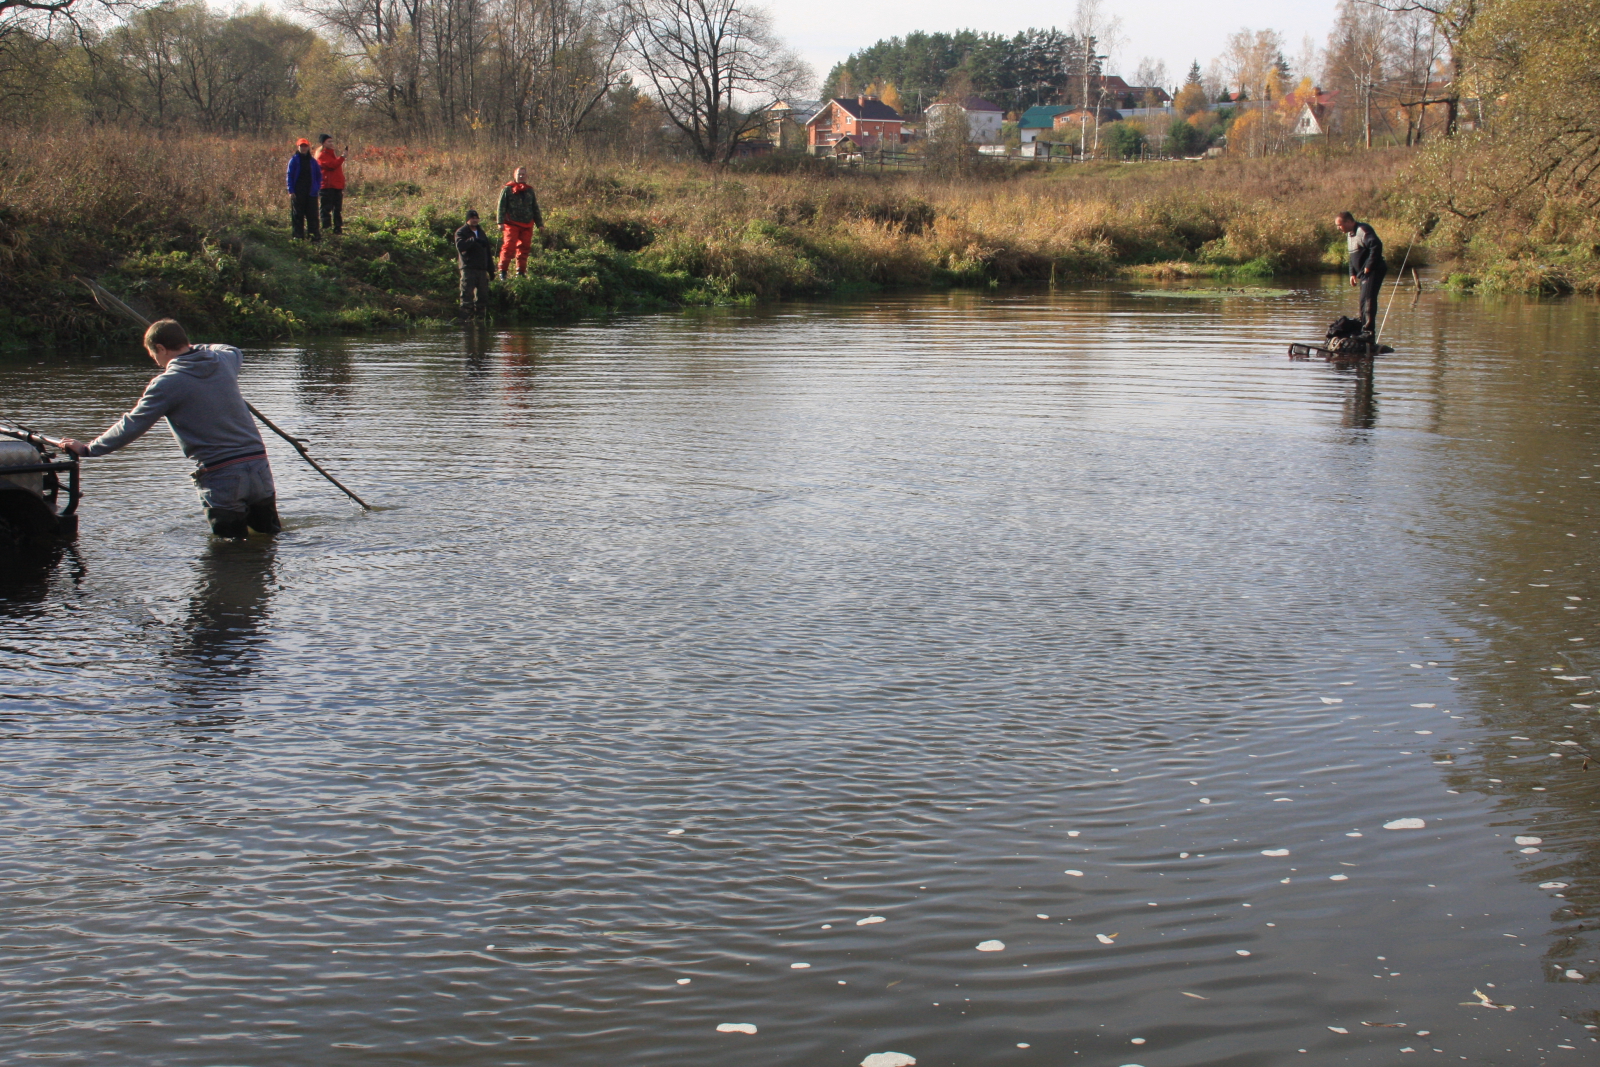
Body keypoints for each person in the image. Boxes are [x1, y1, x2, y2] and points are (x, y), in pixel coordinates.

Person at [60, 319, 281, 539]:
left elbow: (132, 424)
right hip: (259, 466)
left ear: (161, 348)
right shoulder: (224, 361)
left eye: (153, 354)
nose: (157, 362)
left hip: (221, 473)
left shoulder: (167, 383)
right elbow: (231, 349)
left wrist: (90, 449)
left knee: (229, 549)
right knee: (269, 538)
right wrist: (193, 348)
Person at [1335, 211, 1386, 334]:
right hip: (1362, 274)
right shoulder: (1350, 234)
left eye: (1340, 225)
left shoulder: (1362, 230)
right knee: (1363, 301)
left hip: (1374, 270)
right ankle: (1363, 329)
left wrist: (1369, 266)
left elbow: (1376, 245)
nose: (1338, 228)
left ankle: (1368, 332)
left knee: (1368, 300)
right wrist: (1352, 273)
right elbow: (1352, 256)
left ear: (1349, 222)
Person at [495, 166, 544, 279]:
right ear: (515, 175)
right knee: (509, 246)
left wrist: (540, 224)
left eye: (523, 174)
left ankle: (521, 272)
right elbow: (501, 206)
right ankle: (503, 271)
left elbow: (535, 207)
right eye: (519, 174)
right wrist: (500, 222)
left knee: (524, 248)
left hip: (527, 224)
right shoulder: (507, 189)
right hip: (511, 223)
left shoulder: (530, 190)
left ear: (526, 176)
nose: (521, 176)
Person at [455, 209, 494, 315]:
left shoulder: (481, 233)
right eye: (472, 218)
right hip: (468, 268)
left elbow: (488, 252)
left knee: (482, 296)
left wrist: (491, 270)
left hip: (482, 269)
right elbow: (461, 246)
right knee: (466, 295)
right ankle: (466, 319)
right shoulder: (461, 232)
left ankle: (480, 319)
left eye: (476, 218)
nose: (475, 220)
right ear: (467, 219)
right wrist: (473, 240)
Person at [287, 138, 322, 241]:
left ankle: (314, 238)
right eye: (301, 146)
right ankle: (298, 237)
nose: (303, 148)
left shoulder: (313, 161)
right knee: (298, 215)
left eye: (305, 146)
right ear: (298, 147)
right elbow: (289, 176)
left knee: (313, 216)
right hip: (298, 192)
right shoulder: (294, 160)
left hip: (311, 192)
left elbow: (319, 175)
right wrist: (291, 190)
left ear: (308, 147)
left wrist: (317, 187)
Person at [315, 134, 345, 236]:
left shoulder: (332, 154)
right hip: (327, 187)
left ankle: (337, 229)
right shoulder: (321, 155)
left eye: (332, 141)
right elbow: (332, 166)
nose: (331, 143)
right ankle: (326, 230)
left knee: (337, 209)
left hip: (336, 186)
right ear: (323, 143)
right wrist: (342, 157)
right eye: (329, 141)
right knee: (326, 209)